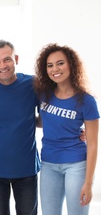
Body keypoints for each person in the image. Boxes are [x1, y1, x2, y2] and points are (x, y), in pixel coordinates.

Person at [34, 43, 99, 215]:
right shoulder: (44, 95)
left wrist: (88, 183)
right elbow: (42, 122)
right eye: (50, 65)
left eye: (60, 63)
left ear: (71, 64)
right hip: (48, 163)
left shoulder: (86, 101)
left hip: (76, 164)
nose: (55, 68)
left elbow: (93, 145)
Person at [0, 40, 40, 215]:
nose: (2, 65)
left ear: (16, 59)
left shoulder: (33, 84)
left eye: (7, 59)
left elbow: (49, 115)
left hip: (26, 169)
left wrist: (76, 131)